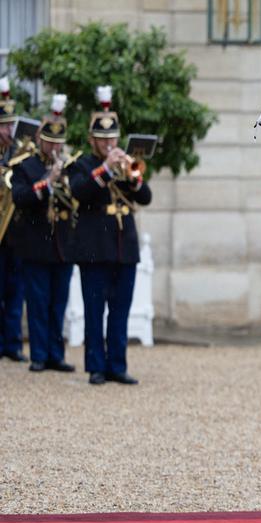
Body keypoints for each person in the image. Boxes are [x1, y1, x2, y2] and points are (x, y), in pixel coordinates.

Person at [68, 85, 152, 386]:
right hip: (94, 248)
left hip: (123, 248)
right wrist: (104, 168)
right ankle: (96, 366)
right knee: (94, 311)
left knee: (120, 310)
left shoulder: (126, 164)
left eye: (112, 138)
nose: (109, 143)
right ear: (93, 140)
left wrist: (132, 174)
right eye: (103, 139)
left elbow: (145, 197)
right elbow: (80, 191)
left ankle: (117, 364)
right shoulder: (82, 164)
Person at [10, 94, 76, 373]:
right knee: (38, 302)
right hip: (36, 244)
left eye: (59, 143)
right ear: (41, 140)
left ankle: (55, 354)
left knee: (58, 303)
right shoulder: (27, 166)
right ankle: (38, 354)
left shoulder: (69, 166)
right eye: (50, 143)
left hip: (62, 245)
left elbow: (76, 200)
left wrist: (65, 182)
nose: (55, 148)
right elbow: (21, 197)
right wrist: (47, 183)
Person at [0, 76, 26, 362]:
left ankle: (14, 343)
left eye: (10, 126)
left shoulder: (19, 151)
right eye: (4, 126)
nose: (8, 131)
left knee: (16, 289)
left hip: (15, 231)